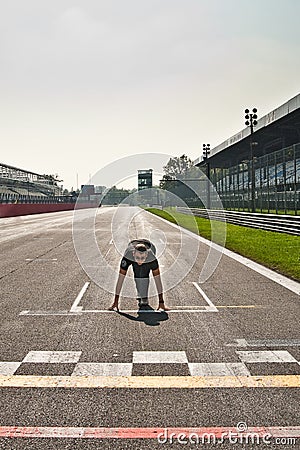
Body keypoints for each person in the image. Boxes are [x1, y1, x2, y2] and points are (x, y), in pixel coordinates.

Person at [109, 239, 169, 311]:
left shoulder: (152, 258)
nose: (140, 260)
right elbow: (120, 279)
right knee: (137, 272)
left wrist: (161, 302)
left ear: (146, 255)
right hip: (132, 244)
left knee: (144, 273)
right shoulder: (127, 256)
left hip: (150, 246)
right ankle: (140, 293)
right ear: (133, 254)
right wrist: (115, 302)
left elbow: (158, 281)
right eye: (137, 258)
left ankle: (143, 296)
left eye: (142, 258)